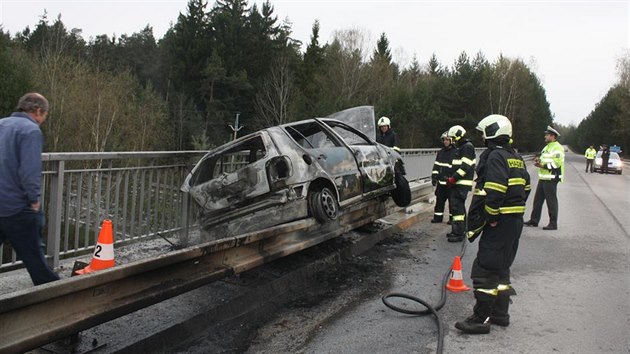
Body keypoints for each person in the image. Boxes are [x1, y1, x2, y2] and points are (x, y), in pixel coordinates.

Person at [454, 114, 530, 334]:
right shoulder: (515, 156)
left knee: (485, 268)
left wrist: (493, 216)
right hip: (514, 221)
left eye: (484, 133)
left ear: (493, 132)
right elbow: (526, 188)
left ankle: (481, 318)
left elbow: (495, 190)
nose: (482, 137)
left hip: (501, 221)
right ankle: (500, 314)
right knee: (501, 267)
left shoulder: (496, 156)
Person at [0, 92, 60, 286]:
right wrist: (34, 200)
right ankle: (55, 297)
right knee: (36, 259)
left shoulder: (2, 124)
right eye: (44, 116)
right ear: (38, 111)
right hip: (17, 207)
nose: (42, 121)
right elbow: (29, 170)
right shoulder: (30, 130)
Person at [524, 126, 564, 230]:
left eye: (547, 135)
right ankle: (534, 220)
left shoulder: (557, 147)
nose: (545, 136)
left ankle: (553, 223)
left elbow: (556, 164)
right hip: (543, 178)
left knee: (551, 202)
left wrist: (543, 165)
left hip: (551, 178)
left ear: (553, 136)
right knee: (537, 200)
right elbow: (543, 159)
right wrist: (538, 161)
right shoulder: (547, 147)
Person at [445, 125, 476, 242]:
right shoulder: (463, 147)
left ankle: (458, 233)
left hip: (460, 183)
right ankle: (459, 230)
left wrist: (453, 178)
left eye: (452, 137)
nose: (451, 140)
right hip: (458, 183)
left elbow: (465, 167)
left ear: (458, 136)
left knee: (457, 209)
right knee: (458, 208)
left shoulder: (467, 147)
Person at [430, 131, 455, 224]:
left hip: (450, 183)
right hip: (441, 183)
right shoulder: (440, 152)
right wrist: (434, 177)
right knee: (439, 201)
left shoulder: (456, 152)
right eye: (444, 140)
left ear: (452, 141)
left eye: (448, 140)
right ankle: (437, 218)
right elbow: (436, 165)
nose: (445, 141)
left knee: (452, 203)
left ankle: (452, 220)